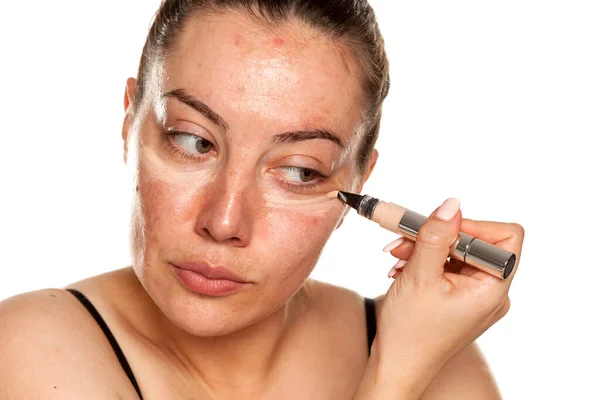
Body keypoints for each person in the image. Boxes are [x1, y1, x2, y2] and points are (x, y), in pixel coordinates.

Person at [0, 1, 524, 399]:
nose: (225, 221)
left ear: (359, 183)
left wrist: (407, 362)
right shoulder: (32, 345)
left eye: (298, 171)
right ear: (129, 120)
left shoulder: (443, 366)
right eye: (193, 141)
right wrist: (395, 379)